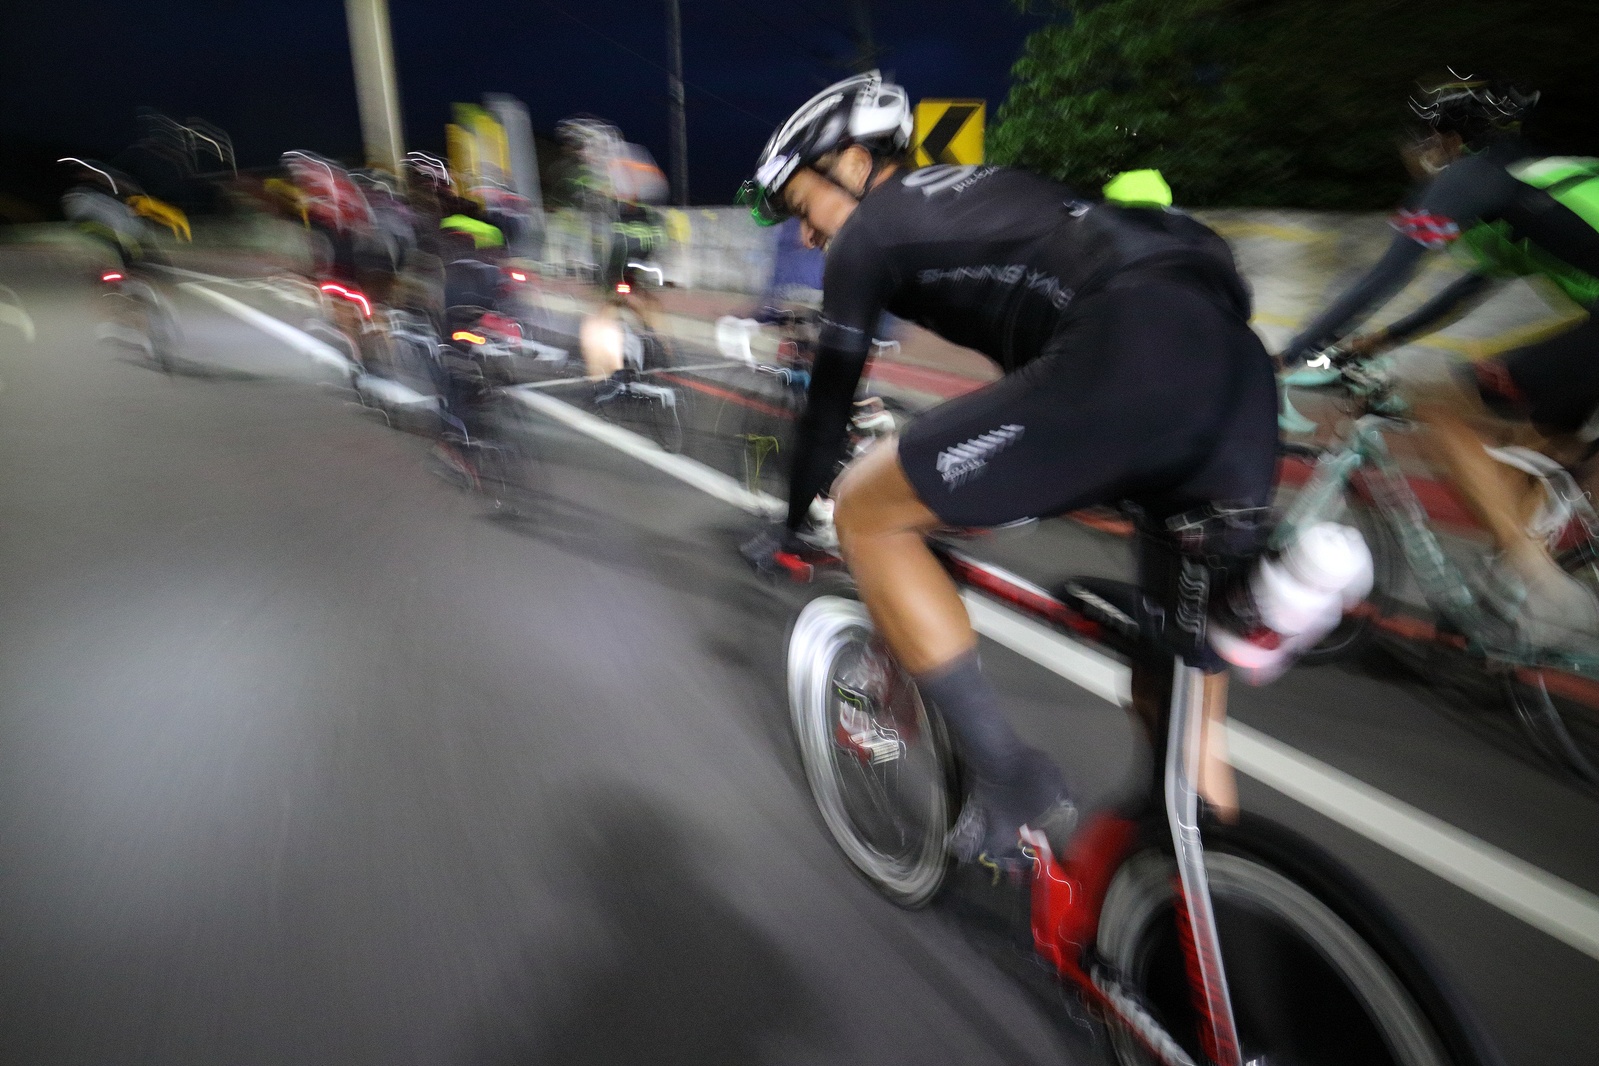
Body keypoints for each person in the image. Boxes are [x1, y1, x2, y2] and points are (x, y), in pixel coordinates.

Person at [737, 72, 1279, 866]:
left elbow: (828, 404)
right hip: (1238, 386)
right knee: (1175, 708)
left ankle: (1010, 778)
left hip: (1126, 354)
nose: (808, 237)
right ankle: (1207, 905)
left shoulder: (870, 231)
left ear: (852, 163)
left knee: (865, 510)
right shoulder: (1000, 192)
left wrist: (789, 527)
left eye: (800, 207)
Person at [1279, 76, 1599, 650]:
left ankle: (1540, 589)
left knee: (1439, 410)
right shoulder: (1534, 185)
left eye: (1416, 143)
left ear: (1443, 140)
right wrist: (1379, 341)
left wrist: (1289, 355)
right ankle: (1514, 599)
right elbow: (1466, 292)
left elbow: (1386, 276)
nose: (1414, 159)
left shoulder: (1472, 177)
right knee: (1538, 442)